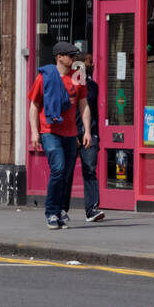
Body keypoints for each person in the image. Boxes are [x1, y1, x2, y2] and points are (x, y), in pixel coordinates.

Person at [29, 41, 92, 229]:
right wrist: (34, 132)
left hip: (71, 132)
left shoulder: (78, 76)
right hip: (50, 130)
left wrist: (87, 130)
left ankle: (59, 211)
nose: (74, 59)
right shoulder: (45, 77)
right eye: (70, 56)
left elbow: (84, 104)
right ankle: (51, 213)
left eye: (74, 56)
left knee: (66, 173)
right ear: (59, 57)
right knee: (58, 169)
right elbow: (34, 105)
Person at [63, 53, 104, 223]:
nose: (92, 64)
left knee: (89, 170)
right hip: (71, 132)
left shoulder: (93, 86)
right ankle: (62, 209)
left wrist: (94, 134)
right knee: (67, 171)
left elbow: (94, 111)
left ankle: (92, 209)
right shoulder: (70, 85)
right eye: (89, 61)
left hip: (89, 132)